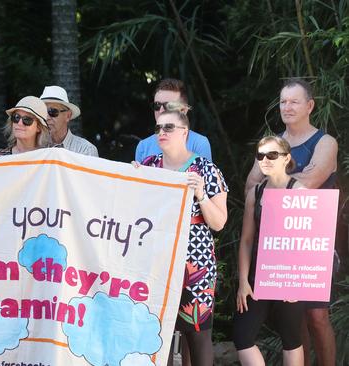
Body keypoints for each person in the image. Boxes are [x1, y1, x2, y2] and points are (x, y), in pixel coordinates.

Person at [244, 78, 337, 366]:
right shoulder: (273, 142)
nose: (288, 106)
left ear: (310, 106)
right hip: (279, 243)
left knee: (317, 316)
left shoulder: (324, 142)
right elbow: (250, 185)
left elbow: (310, 182)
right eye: (283, 101)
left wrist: (272, 180)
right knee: (292, 319)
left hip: (314, 242)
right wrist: (280, 182)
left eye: (294, 101)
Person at [140, 106, 228, 366]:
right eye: (158, 128)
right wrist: (132, 179)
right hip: (156, 263)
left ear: (185, 132)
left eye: (168, 127)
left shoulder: (206, 169)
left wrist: (201, 194)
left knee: (197, 336)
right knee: (158, 336)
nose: (161, 132)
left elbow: (220, 222)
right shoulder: (149, 166)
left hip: (195, 265)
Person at [234, 136, 305, 365]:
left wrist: (296, 281)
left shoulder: (299, 192)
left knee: (291, 338)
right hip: (258, 275)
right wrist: (243, 281)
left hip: (289, 276)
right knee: (242, 336)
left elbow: (311, 242)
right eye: (260, 155)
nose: (264, 159)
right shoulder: (256, 192)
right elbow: (246, 240)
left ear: (286, 159)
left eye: (272, 155)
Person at [135, 78, 212, 162]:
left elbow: (206, 173)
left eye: (169, 106)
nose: (161, 111)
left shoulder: (199, 143)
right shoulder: (143, 146)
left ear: (183, 110)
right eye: (157, 105)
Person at [38, 85, 98, 156]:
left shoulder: (85, 150)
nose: (46, 117)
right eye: (43, 111)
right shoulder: (34, 148)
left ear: (68, 116)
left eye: (52, 111)